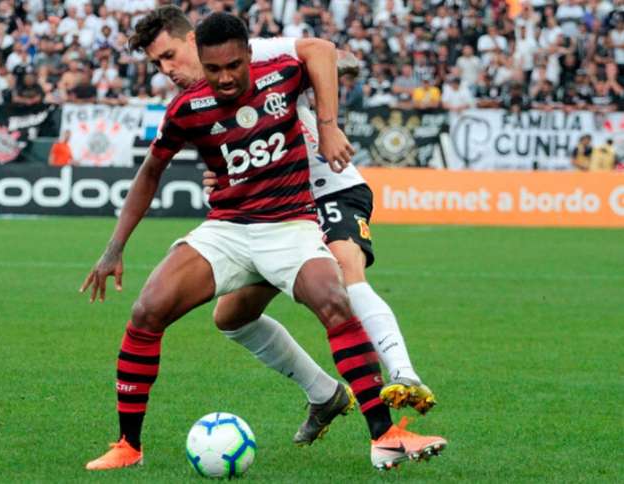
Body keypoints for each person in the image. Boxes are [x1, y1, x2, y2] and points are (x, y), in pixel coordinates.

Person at [80, 10, 446, 472]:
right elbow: (150, 171)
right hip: (228, 231)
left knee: (335, 298)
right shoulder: (185, 108)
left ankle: (387, 435)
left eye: (234, 66)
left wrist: (329, 121)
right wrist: (114, 248)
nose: (226, 78)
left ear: (249, 56)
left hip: (290, 225)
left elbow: (331, 57)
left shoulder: (283, 71)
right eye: (215, 70)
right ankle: (127, 446)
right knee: (148, 310)